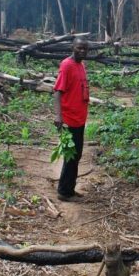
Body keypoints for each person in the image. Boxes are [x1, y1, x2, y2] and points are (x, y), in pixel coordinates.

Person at [53, 38, 90, 201]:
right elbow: (57, 92)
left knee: (77, 155)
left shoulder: (81, 66)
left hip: (80, 119)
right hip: (69, 119)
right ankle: (64, 192)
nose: (82, 51)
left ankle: (69, 188)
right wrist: (58, 116)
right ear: (72, 48)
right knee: (71, 156)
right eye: (79, 48)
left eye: (85, 48)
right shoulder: (66, 65)